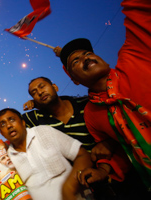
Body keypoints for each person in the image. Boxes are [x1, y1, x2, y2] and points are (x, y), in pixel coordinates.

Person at [59, 0, 151, 192]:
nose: (86, 57)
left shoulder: (133, 57)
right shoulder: (91, 114)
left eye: (87, 53)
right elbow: (119, 149)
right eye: (76, 61)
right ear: (74, 79)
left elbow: (140, 10)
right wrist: (103, 170)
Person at [0, 85, 96, 152]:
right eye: (34, 92)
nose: (39, 92)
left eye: (42, 86)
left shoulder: (86, 104)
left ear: (55, 87)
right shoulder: (37, 118)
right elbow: (4, 119)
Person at [0, 108, 93, 200]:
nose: (9, 126)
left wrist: (69, 187)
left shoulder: (44, 132)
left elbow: (83, 155)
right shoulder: (8, 160)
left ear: (23, 122)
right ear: (2, 133)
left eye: (12, 120)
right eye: (3, 124)